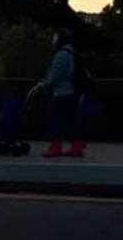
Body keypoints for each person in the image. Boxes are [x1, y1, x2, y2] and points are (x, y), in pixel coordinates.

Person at [29, 28, 86, 158]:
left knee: (55, 120)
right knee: (71, 121)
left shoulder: (62, 55)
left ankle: (56, 147)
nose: (53, 40)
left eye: (55, 37)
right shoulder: (73, 53)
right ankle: (76, 147)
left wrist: (42, 85)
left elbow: (55, 77)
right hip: (73, 92)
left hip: (62, 93)